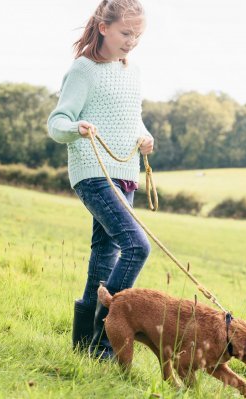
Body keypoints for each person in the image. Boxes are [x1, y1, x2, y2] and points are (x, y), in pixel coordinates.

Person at [47, 0, 154, 360]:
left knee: (105, 256)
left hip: (125, 176)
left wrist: (144, 136)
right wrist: (76, 127)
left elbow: (130, 117)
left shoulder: (132, 71)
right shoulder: (84, 70)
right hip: (93, 175)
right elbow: (57, 122)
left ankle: (83, 348)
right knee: (138, 246)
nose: (131, 42)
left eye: (137, 35)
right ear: (104, 27)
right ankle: (105, 342)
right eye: (126, 33)